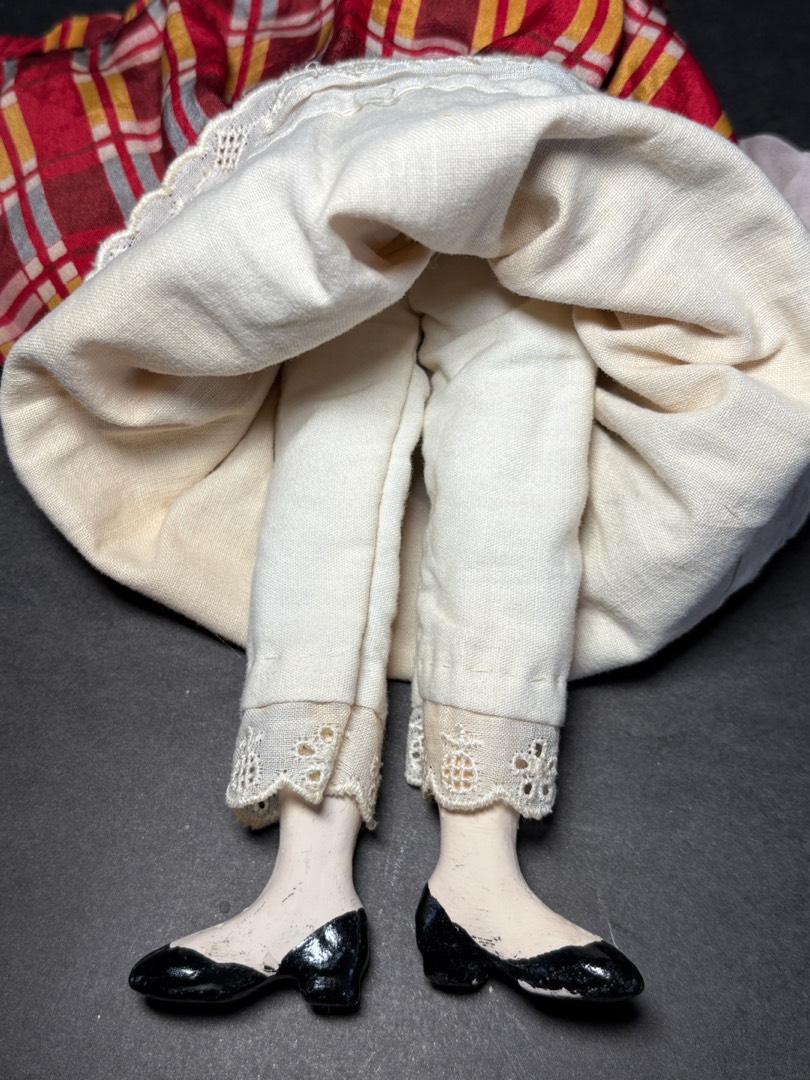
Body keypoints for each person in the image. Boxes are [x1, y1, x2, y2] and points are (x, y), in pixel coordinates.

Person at [4, 55, 810, 1014]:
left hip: (522, 195)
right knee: (334, 440)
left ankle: (476, 872)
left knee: (522, 437)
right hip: (356, 191)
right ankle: (308, 887)